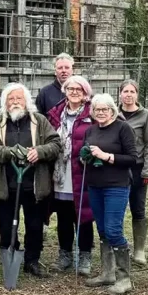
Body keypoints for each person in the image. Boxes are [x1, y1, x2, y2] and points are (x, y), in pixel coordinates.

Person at [0, 83, 62, 278]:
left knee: (34, 226)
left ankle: (32, 261)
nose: (15, 102)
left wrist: (39, 152)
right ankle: (10, 256)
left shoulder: (39, 121)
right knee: (6, 226)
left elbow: (55, 143)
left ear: (26, 101)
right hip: (7, 185)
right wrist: (9, 153)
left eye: (19, 98)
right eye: (11, 98)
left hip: (33, 185)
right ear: (5, 102)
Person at [80, 93, 138, 295]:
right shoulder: (90, 130)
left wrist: (106, 156)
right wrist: (85, 157)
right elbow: (85, 154)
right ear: (92, 112)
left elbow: (132, 158)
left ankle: (124, 279)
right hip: (95, 186)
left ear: (112, 111)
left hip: (117, 186)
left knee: (113, 230)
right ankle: (107, 273)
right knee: (103, 229)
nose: (101, 113)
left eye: (105, 109)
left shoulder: (123, 128)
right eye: (97, 109)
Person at [46, 75, 96, 275]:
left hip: (82, 173)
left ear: (85, 93)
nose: (74, 92)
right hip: (60, 173)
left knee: (83, 215)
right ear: (65, 91)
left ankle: (85, 255)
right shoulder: (55, 114)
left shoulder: (92, 113)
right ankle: (65, 254)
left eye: (78, 89)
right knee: (64, 216)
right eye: (70, 89)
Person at [119, 79, 148, 266]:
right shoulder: (113, 113)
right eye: (125, 91)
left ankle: (139, 249)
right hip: (117, 167)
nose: (128, 95)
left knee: (138, 207)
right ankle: (118, 247)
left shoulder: (145, 115)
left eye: (132, 92)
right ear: (120, 94)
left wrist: (147, 171)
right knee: (117, 208)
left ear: (137, 95)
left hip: (138, 167)